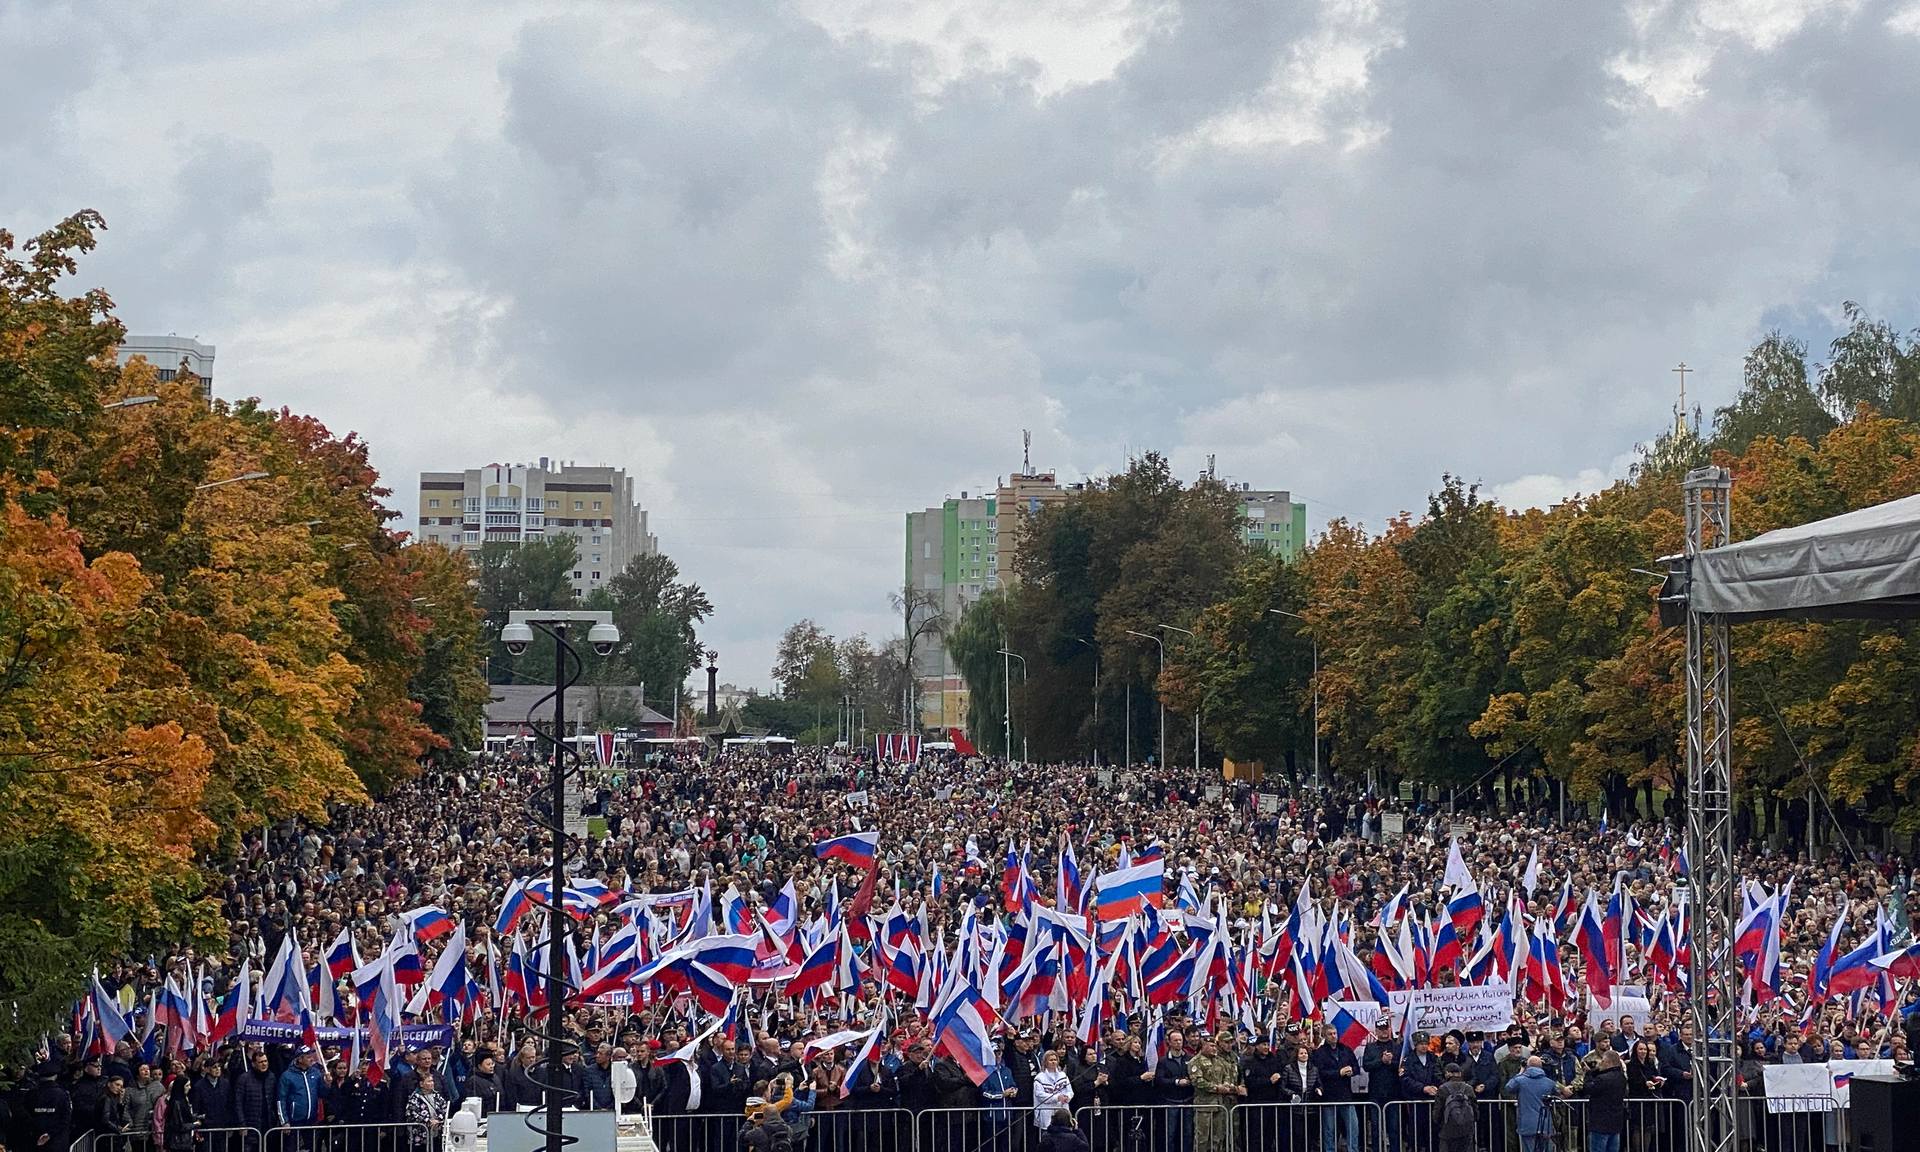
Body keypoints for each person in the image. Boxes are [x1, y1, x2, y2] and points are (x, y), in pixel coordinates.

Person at [1309, 1024, 1360, 1152]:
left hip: (1346, 1095)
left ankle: (1353, 1150)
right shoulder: (1320, 1053)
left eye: (1335, 1033)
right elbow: (1319, 1072)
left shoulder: (1345, 1050)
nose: (1334, 1036)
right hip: (1329, 1096)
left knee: (1353, 1128)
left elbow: (1356, 1067)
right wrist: (1338, 1073)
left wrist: (1351, 1071)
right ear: (1324, 1036)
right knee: (1329, 1130)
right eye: (1330, 1034)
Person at [1191, 1033, 1242, 1152]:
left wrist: (1226, 1085)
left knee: (1218, 1138)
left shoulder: (1218, 1061)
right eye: (1211, 1046)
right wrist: (1216, 1088)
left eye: (1215, 1046)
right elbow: (1198, 1081)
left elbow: (1226, 1076)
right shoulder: (1196, 1061)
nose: (1214, 1048)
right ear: (1203, 1046)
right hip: (1205, 1105)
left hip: (1220, 1105)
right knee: (1202, 1138)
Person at [1504, 1056, 1567, 1152]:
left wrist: (1521, 1072)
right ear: (1541, 1066)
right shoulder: (1549, 1082)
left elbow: (1508, 1087)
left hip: (1527, 1123)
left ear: (1527, 1066)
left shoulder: (1520, 1081)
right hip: (1545, 1123)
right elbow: (1560, 1092)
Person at [276, 1047, 328, 1152]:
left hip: (311, 1120)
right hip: (293, 1121)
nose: (312, 1059)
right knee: (291, 1148)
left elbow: (323, 1094)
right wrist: (284, 1121)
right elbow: (281, 1099)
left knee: (312, 1147)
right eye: (308, 1057)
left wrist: (327, 1083)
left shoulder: (316, 1073)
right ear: (300, 1059)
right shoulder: (287, 1076)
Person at [1583, 1050, 1629, 1152]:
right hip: (1616, 1122)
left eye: (1602, 1061)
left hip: (1600, 1123)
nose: (1600, 1063)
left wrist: (1589, 1074)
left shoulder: (1602, 1079)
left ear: (1608, 1062)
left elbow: (1588, 1088)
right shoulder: (1621, 1077)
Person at [1431, 1064, 1476, 1152]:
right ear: (1459, 1073)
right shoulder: (1468, 1088)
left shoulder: (1443, 1089)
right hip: (1466, 1130)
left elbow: (1437, 1113)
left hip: (1448, 1130)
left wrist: (1439, 1124)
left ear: (1447, 1073)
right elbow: (1475, 1110)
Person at [402, 1070, 445, 1152]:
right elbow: (413, 1113)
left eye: (432, 1081)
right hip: (420, 1136)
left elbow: (444, 1108)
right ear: (421, 1084)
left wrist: (438, 1120)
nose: (432, 1083)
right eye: (429, 1081)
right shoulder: (414, 1098)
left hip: (435, 1134)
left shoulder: (437, 1095)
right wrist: (428, 1121)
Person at [162, 1073, 202, 1152]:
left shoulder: (183, 1100)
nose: (189, 1088)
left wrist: (197, 1118)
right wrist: (194, 1124)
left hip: (184, 1142)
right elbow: (178, 1125)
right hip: (178, 1143)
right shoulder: (177, 1103)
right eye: (187, 1086)